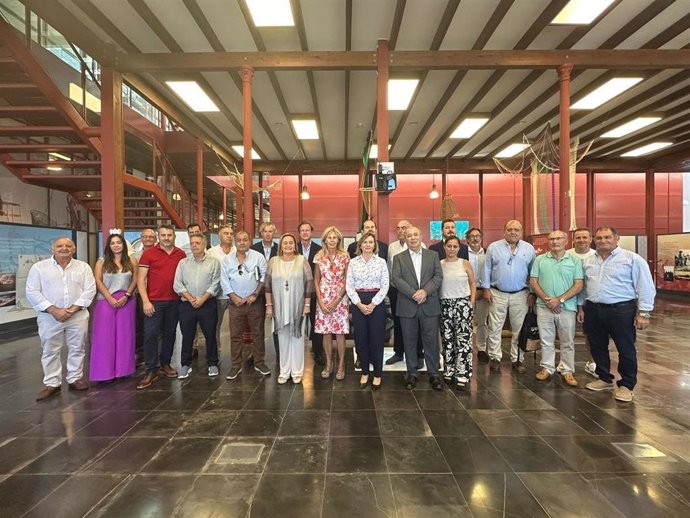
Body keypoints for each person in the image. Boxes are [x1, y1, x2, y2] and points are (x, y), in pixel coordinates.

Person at [577, 226, 656, 402]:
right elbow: (585, 287)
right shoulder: (589, 261)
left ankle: (627, 385)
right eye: (599, 238)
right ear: (594, 240)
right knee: (597, 346)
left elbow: (645, 286)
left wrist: (644, 313)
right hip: (594, 309)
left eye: (607, 237)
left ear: (617, 238)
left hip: (621, 310)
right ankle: (604, 378)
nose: (603, 241)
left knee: (625, 348)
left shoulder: (632, 259)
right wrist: (582, 307)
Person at [26, 237, 96, 400]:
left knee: (78, 347)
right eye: (60, 246)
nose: (64, 248)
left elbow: (90, 289)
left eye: (68, 245)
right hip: (50, 317)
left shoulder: (83, 267)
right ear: (53, 249)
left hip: (77, 315)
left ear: (74, 249)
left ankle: (75, 378)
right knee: (50, 349)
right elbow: (32, 291)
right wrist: (54, 310)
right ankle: (52, 383)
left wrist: (72, 309)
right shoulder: (39, 268)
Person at [391, 226, 444, 391]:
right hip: (408, 304)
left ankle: (434, 374)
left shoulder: (433, 255)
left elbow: (438, 276)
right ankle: (412, 373)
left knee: (431, 341)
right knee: (409, 340)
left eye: (415, 234)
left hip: (429, 304)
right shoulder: (399, 258)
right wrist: (414, 293)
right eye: (409, 235)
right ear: (405, 238)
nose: (412, 238)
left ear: (421, 236)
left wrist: (425, 291)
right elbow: (396, 279)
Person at [530, 230, 583, 387]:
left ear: (566, 241)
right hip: (544, 306)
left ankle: (567, 370)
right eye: (551, 239)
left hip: (566, 307)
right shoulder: (540, 260)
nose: (555, 242)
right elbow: (533, 281)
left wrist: (559, 300)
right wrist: (547, 300)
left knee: (567, 340)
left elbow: (579, 284)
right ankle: (547, 367)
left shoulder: (574, 261)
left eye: (558, 238)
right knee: (546, 340)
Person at [481, 220, 536, 373]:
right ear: (504, 231)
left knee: (519, 329)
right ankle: (495, 358)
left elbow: (533, 273)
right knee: (494, 327)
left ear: (521, 231)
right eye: (510, 229)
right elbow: (486, 269)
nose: (513, 232)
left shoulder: (529, 249)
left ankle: (517, 359)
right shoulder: (494, 247)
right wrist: (486, 289)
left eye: (516, 229)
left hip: (521, 294)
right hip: (497, 293)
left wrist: (532, 292)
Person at [136, 224, 186, 389]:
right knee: (150, 334)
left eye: (169, 235)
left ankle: (165, 363)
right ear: (159, 237)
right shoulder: (148, 254)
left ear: (174, 236)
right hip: (154, 301)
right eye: (163, 235)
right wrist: (146, 301)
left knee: (169, 334)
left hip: (174, 301)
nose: (166, 238)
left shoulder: (181, 254)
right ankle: (151, 370)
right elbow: (141, 279)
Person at [221, 230, 271, 380]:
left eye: (245, 240)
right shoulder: (227, 260)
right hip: (235, 304)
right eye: (239, 240)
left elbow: (263, 277)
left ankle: (259, 362)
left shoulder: (258, 257)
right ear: (235, 242)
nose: (242, 242)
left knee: (258, 334)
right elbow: (224, 280)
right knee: (235, 336)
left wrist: (254, 294)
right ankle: (236, 365)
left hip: (253, 303)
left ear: (250, 241)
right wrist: (233, 296)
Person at [90, 232, 138, 383]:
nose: (116, 245)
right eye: (113, 243)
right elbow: (98, 280)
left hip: (126, 300)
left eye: (119, 242)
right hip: (105, 301)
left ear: (124, 244)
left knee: (125, 336)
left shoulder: (132, 260)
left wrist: (127, 295)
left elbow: (136, 279)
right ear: (108, 246)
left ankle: (123, 370)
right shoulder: (102, 261)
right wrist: (109, 297)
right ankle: (104, 372)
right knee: (105, 337)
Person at [265, 233, 313, 384]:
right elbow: (267, 286)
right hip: (279, 306)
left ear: (295, 245)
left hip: (298, 306)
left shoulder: (302, 260)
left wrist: (307, 304)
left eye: (291, 243)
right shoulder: (273, 261)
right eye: (285, 243)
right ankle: (284, 371)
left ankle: (298, 371)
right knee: (283, 338)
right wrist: (269, 306)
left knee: (297, 338)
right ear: (281, 245)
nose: (288, 245)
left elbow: (309, 283)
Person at [173, 232, 221, 379]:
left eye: (197, 243)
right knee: (187, 336)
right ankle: (185, 365)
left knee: (210, 335)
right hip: (187, 305)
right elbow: (177, 284)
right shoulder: (183, 263)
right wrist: (192, 298)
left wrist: (203, 299)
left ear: (204, 245)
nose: (194, 246)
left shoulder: (214, 262)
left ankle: (212, 363)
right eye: (192, 243)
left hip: (207, 304)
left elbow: (216, 283)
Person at [346, 232, 389, 391]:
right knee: (361, 338)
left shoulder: (381, 262)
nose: (368, 245)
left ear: (374, 245)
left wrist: (373, 304)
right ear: (360, 245)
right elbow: (349, 286)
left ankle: (377, 374)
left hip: (376, 303)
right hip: (358, 304)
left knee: (377, 339)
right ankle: (365, 372)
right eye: (365, 242)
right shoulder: (353, 262)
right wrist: (358, 304)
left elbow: (385, 285)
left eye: (371, 242)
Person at [386, 219, 425, 367]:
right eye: (398, 228)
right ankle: (398, 352)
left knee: (418, 321)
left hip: (417, 291)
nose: (401, 231)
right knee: (399, 322)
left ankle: (418, 354)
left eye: (404, 228)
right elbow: (391, 270)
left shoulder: (421, 245)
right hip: (397, 290)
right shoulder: (392, 247)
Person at [439, 235, 476, 390]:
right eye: (449, 246)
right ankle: (449, 370)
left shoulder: (464, 263)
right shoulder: (439, 264)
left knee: (463, 341)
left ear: (459, 248)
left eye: (455, 246)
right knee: (447, 340)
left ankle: (462, 374)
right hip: (445, 305)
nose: (452, 249)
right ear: (444, 247)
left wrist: (471, 302)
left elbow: (473, 282)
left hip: (462, 304)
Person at [314, 226, 350, 380]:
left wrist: (337, 300)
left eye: (335, 237)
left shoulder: (345, 256)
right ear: (325, 239)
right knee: (326, 333)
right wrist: (320, 301)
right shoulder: (319, 256)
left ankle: (341, 365)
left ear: (339, 240)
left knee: (340, 334)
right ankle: (329, 364)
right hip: (323, 298)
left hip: (340, 299)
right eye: (329, 237)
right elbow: (316, 280)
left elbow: (347, 280)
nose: (332, 240)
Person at [567, 227, 597, 378]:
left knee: (591, 334)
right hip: (566, 300)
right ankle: (565, 364)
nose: (581, 240)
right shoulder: (566, 255)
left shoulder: (597, 256)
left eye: (585, 237)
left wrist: (581, 307)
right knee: (564, 333)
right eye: (578, 238)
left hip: (589, 301)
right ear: (573, 240)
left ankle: (592, 363)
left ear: (590, 239)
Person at [250, 221, 280, 362]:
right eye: (265, 231)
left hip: (276, 292)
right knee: (257, 325)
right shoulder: (253, 249)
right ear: (261, 233)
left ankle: (280, 352)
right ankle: (257, 355)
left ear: (274, 233)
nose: (268, 234)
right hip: (258, 291)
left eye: (271, 231)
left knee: (277, 324)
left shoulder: (280, 249)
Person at [297, 220, 324, 365]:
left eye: (307, 230)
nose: (305, 233)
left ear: (311, 232)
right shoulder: (293, 248)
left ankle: (318, 352)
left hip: (314, 293)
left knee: (315, 323)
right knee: (297, 323)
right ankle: (296, 352)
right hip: (296, 293)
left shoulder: (319, 249)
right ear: (299, 233)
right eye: (302, 230)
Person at [207, 224, 235, 353]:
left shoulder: (238, 250)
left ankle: (237, 352)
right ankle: (215, 351)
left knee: (236, 326)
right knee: (215, 324)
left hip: (236, 294)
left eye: (231, 233)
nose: (229, 236)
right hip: (218, 294)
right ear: (219, 235)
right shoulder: (211, 252)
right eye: (226, 233)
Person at [131, 228, 156, 363]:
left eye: (151, 237)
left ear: (155, 239)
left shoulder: (160, 254)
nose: (148, 239)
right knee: (140, 324)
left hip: (157, 294)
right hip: (140, 294)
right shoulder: (134, 257)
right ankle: (141, 352)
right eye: (145, 236)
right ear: (141, 238)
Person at [466, 227, 489, 363]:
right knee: (465, 322)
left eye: (478, 236)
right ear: (467, 239)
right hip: (466, 292)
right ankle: (467, 347)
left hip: (483, 291)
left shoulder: (487, 253)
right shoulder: (463, 253)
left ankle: (481, 348)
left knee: (482, 322)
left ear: (481, 238)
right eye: (472, 236)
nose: (475, 238)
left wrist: (484, 289)